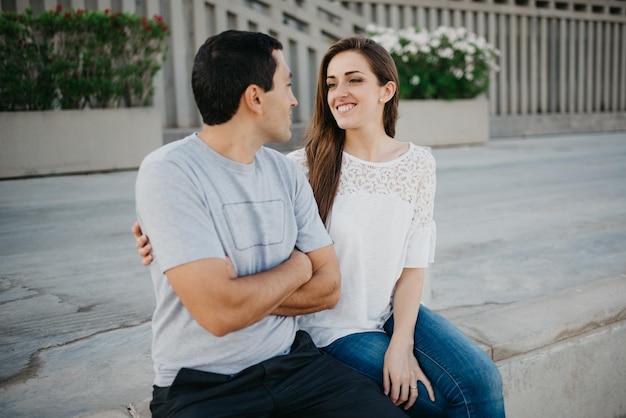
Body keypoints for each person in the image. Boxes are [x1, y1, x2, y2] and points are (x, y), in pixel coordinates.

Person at [135, 34, 505, 417]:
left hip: (385, 313)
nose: (337, 92)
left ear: (386, 90)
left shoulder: (416, 164)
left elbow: (410, 266)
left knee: (481, 380)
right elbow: (240, 272)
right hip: (331, 329)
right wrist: (166, 238)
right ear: (255, 97)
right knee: (436, 401)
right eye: (331, 83)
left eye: (354, 80)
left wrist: (401, 342)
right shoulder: (301, 166)